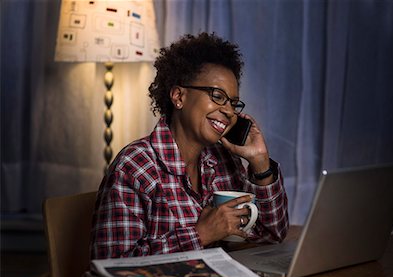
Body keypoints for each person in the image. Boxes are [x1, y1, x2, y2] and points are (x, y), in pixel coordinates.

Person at [90, 32, 289, 259]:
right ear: (179, 96)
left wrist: (260, 162)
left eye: (233, 103)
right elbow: (112, 266)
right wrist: (201, 234)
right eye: (217, 96)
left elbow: (271, 236)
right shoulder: (134, 167)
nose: (229, 111)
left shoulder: (224, 161)